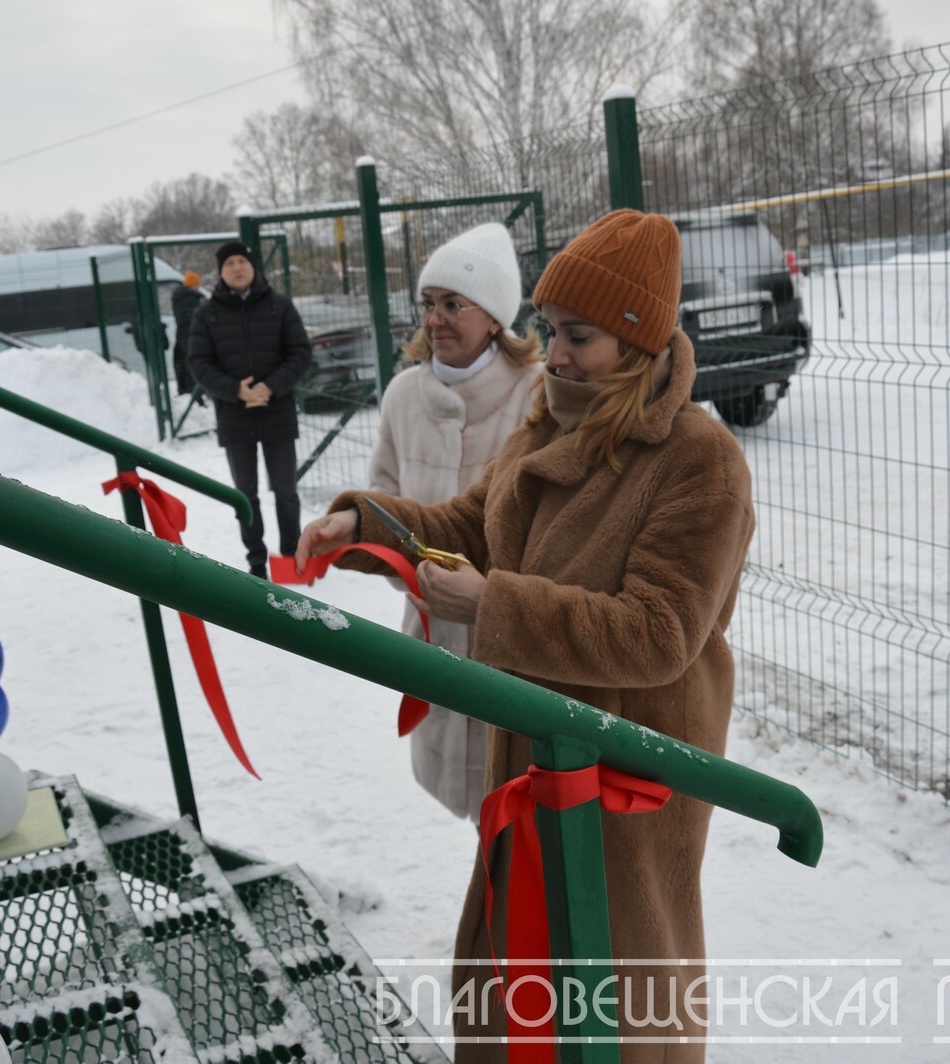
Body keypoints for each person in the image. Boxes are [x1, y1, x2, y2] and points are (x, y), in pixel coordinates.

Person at [296, 209, 755, 1059]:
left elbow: (659, 633)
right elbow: (471, 526)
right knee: (523, 967)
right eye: (551, 330)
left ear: (636, 343)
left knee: (618, 988)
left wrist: (495, 608)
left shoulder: (698, 458)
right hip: (537, 744)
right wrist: (365, 527)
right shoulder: (549, 420)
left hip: (628, 765)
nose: (557, 355)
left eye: (579, 337)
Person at [370, 223, 544, 823]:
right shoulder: (402, 395)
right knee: (478, 814)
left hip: (512, 643)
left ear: (494, 317)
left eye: (452, 304)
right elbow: (384, 500)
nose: (434, 320)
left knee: (519, 804)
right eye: (427, 303)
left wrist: (490, 597)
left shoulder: (537, 395)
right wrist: (412, 573)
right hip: (432, 631)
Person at [189, 240, 312, 579]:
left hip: (278, 411)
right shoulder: (206, 314)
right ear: (221, 271)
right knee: (245, 494)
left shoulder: (279, 306)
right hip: (234, 417)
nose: (237, 268)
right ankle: (256, 562)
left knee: (286, 491)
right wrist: (236, 391)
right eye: (229, 263)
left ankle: (292, 556)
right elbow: (198, 363)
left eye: (242, 261)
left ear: (253, 266)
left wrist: (271, 386)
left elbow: (300, 352)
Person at [170, 269, 203, 396]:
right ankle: (195, 393)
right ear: (192, 284)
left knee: (182, 363)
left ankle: (184, 390)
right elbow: (195, 318)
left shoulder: (178, 297)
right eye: (197, 284)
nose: (198, 287)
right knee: (193, 364)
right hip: (191, 336)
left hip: (181, 335)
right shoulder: (189, 299)